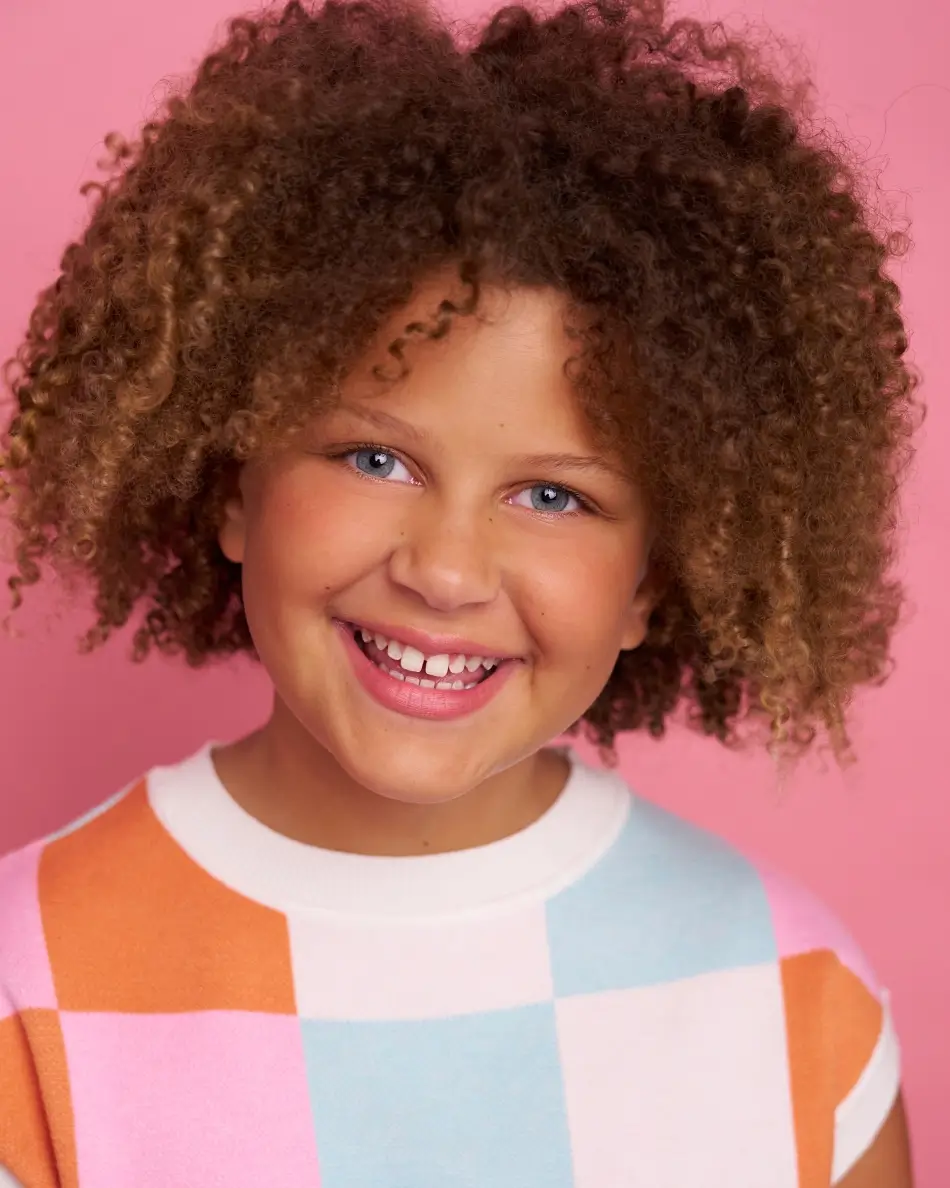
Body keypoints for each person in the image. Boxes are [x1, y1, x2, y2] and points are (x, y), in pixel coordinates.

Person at [0, 0, 918, 1183]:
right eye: (373, 460)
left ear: (651, 580)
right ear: (233, 486)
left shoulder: (789, 998)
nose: (441, 570)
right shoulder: (28, 989)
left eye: (553, 497)